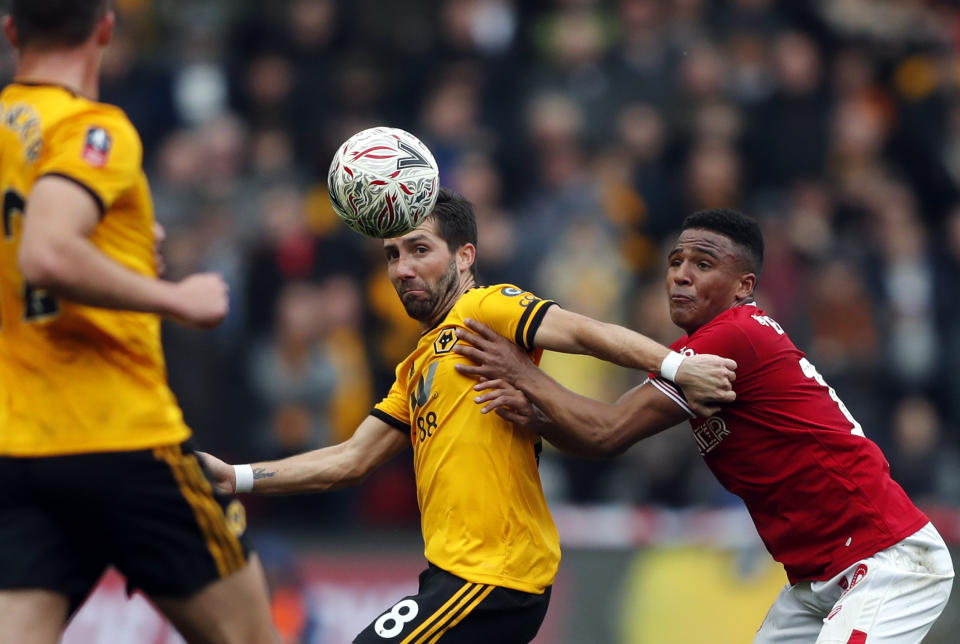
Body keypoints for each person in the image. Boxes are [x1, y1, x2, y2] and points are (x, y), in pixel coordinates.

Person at [200, 188, 737, 643]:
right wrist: (238, 476)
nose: (402, 269)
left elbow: (581, 331)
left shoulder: (483, 309)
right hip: (456, 577)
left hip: (492, 577)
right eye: (392, 255)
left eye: (418, 250)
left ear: (463, 257)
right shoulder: (415, 366)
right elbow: (351, 458)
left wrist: (676, 364)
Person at [453, 208, 955, 643]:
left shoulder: (732, 336)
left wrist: (523, 373)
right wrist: (536, 413)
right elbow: (600, 436)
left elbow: (606, 431)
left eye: (703, 264)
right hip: (815, 577)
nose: (681, 276)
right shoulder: (697, 353)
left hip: (886, 562)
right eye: (675, 263)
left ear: (745, 287)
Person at [0, 3, 277, 643]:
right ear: (105, 27)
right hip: (122, 439)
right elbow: (45, 252)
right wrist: (176, 297)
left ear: (12, 30)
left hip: (23, 445)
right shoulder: (95, 129)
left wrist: (112, 252)